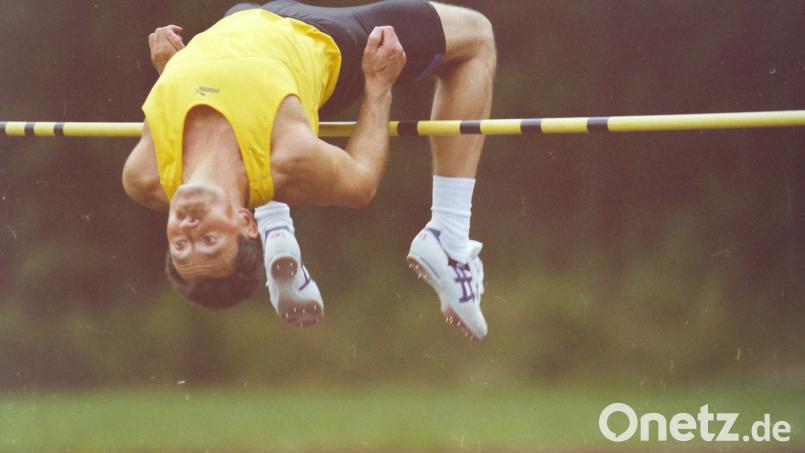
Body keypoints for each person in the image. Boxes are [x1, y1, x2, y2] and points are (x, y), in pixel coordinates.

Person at [121, 0, 496, 340]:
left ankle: (277, 225)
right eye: (209, 241)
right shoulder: (287, 155)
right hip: (323, 38)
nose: (189, 229)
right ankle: (450, 237)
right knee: (476, 37)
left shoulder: (146, 175)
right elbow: (361, 182)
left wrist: (173, 70)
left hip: (242, 18)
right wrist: (379, 87)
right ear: (244, 223)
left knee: (237, 8)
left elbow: (180, 101)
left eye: (181, 246)